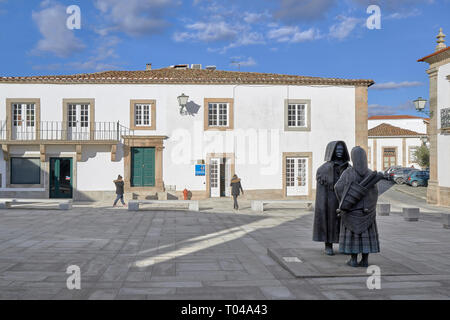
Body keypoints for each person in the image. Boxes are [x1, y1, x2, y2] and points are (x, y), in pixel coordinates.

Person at [335, 146, 380, 267]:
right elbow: (375, 193)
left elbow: (337, 187)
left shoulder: (348, 173)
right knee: (366, 237)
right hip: (367, 213)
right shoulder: (371, 174)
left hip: (351, 212)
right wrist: (370, 208)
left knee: (353, 237)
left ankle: (353, 260)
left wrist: (344, 202)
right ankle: (365, 261)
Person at [313, 141, 350, 255]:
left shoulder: (348, 167)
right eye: (337, 149)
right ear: (332, 151)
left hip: (344, 199)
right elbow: (322, 190)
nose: (339, 152)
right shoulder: (323, 169)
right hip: (330, 200)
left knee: (345, 223)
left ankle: (344, 245)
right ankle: (328, 245)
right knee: (329, 222)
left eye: (341, 149)